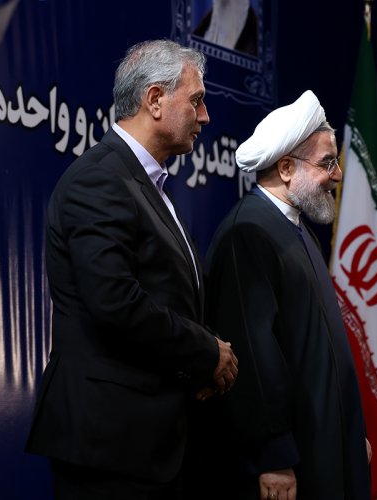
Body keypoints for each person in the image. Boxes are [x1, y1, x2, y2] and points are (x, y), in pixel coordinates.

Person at [25, 39, 238, 499]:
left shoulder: (145, 183)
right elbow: (115, 302)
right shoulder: (100, 178)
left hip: (151, 443)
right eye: (197, 100)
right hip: (110, 445)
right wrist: (204, 351)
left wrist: (202, 363)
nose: (205, 117)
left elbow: (168, 297)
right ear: (155, 100)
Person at [199, 90, 371, 500]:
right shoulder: (248, 232)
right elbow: (253, 358)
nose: (337, 175)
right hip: (289, 461)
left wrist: (350, 434)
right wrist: (272, 456)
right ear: (287, 168)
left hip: (326, 445)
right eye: (327, 163)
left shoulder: (296, 229)